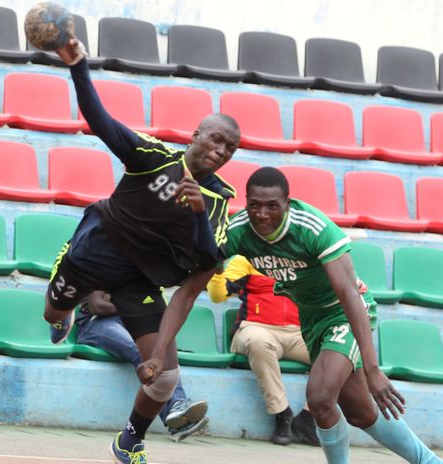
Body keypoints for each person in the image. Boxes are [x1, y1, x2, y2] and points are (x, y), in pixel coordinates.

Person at [178, 166, 443, 464]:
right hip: (311, 320)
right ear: (246, 202)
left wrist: (373, 370)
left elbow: (348, 293)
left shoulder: (312, 227)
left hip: (344, 311)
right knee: (360, 413)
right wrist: (199, 223)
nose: (262, 214)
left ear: (287, 203)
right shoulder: (239, 230)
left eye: (273, 206)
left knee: (321, 397)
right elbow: (204, 266)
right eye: (255, 205)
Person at [46, 37, 240, 464]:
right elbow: (100, 121)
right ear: (197, 135)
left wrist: (195, 212)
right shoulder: (152, 156)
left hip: (140, 279)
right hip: (95, 250)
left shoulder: (220, 200)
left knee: (166, 376)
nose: (221, 152)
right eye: (217, 140)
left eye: (230, 149)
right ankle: (65, 312)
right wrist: (78, 65)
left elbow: (208, 260)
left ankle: (130, 441)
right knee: (53, 312)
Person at [207, 255, 319, 447]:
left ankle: (308, 418)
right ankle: (282, 414)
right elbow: (217, 295)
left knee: (342, 353)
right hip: (256, 328)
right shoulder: (247, 257)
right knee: (258, 341)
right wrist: (216, 272)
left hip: (299, 333)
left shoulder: (308, 259)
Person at [75, 291, 209, 441]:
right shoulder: (107, 268)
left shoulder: (141, 275)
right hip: (97, 324)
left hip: (130, 321)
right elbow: (98, 306)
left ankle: (178, 410)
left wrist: (132, 307)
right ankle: (176, 410)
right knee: (142, 353)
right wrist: (135, 307)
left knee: (161, 353)